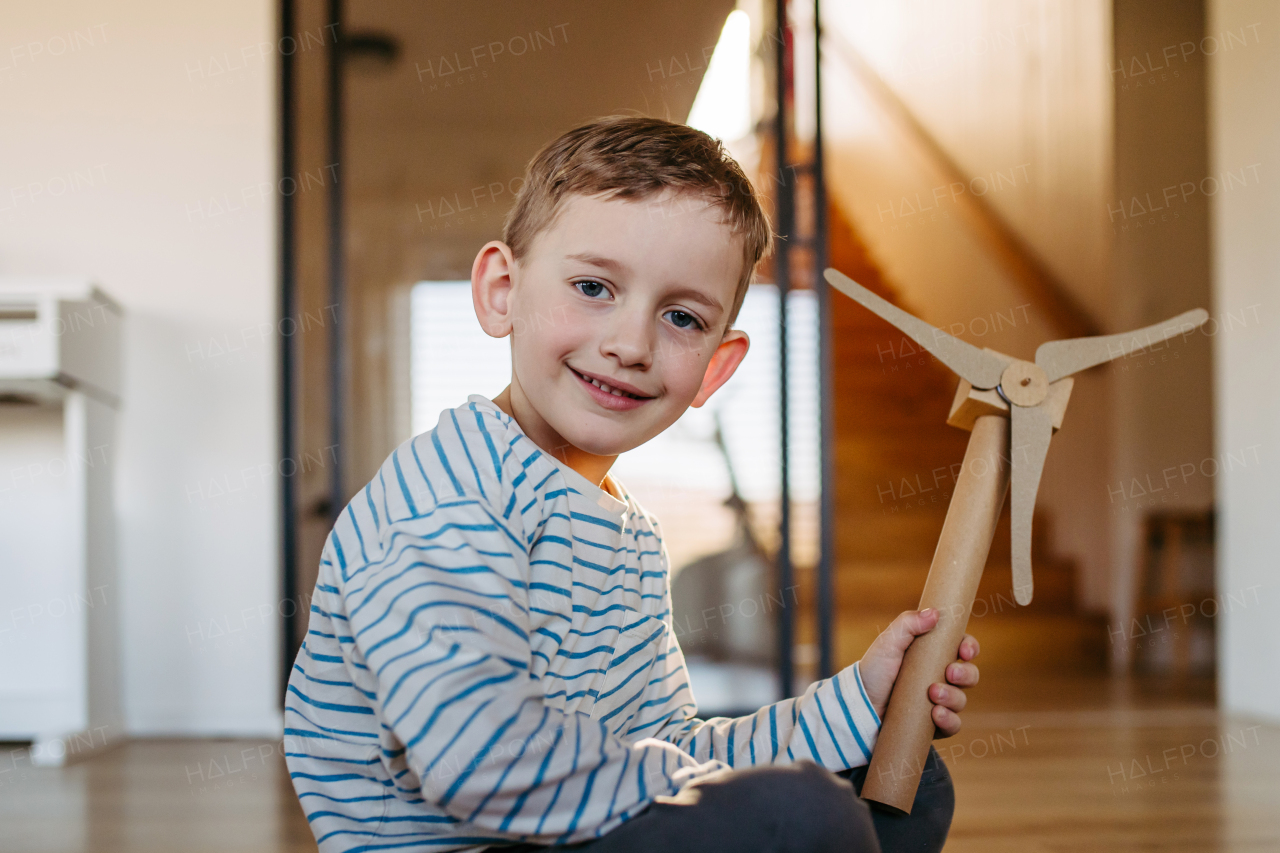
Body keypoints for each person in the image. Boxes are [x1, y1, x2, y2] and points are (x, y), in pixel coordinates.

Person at [285, 116, 980, 853]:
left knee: (900, 776)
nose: (630, 344)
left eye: (681, 317)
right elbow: (479, 766)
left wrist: (857, 703)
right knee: (804, 814)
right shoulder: (449, 497)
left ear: (716, 366)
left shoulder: (629, 536)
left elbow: (667, 742)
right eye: (593, 286)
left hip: (577, 831)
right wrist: (713, 789)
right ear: (501, 292)